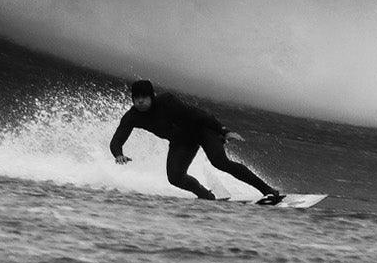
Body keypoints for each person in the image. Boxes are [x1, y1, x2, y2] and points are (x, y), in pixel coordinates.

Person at [109, 79, 285, 205]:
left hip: (202, 130)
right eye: (136, 98)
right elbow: (117, 139)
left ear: (152, 96)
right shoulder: (132, 116)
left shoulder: (167, 101)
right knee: (175, 177)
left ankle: (269, 190)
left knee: (220, 162)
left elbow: (196, 114)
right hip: (181, 142)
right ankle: (206, 196)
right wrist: (118, 154)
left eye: (144, 97)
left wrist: (223, 130)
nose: (140, 101)